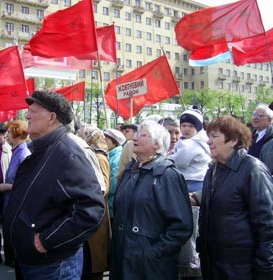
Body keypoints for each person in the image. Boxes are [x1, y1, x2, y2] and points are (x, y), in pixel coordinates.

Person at [3, 90, 105, 280]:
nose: (27, 115)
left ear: (51, 118)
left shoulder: (68, 155)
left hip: (53, 266)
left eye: (33, 111)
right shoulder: (40, 149)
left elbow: (90, 210)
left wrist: (46, 240)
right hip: (33, 261)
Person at [110, 120, 193, 280]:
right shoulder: (129, 171)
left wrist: (153, 253)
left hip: (151, 268)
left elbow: (181, 226)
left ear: (157, 144)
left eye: (143, 135)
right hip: (122, 260)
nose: (135, 138)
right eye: (136, 134)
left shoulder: (166, 175)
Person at [198, 116, 273, 280]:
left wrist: (265, 269)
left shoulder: (253, 170)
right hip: (214, 264)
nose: (209, 141)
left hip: (241, 268)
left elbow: (267, 226)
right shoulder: (213, 170)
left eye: (214, 136)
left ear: (233, 141)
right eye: (208, 136)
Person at [79, 124, 111, 280]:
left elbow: (104, 186)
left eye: (83, 134)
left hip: (97, 213)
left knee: (96, 259)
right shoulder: (91, 154)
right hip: (93, 211)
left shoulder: (99, 157)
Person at [0, 120, 31, 272]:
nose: (7, 136)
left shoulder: (23, 154)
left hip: (16, 204)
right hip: (10, 201)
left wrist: (5, 186)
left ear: (16, 134)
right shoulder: (16, 151)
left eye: (9, 133)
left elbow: (26, 183)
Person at [169, 107, 211, 193]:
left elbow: (180, 162)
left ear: (198, 128)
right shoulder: (196, 141)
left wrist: (168, 158)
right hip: (199, 180)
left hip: (192, 181)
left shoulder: (191, 144)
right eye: (184, 126)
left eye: (191, 126)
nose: (186, 129)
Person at [0, 122, 11, 266]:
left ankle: (10, 256)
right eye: (1, 133)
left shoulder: (8, 150)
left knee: (7, 223)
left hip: (5, 190)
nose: (5, 136)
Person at [103, 128, 126, 223]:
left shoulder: (117, 157)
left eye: (107, 139)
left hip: (112, 205)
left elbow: (113, 184)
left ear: (114, 143)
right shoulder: (110, 155)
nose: (104, 141)